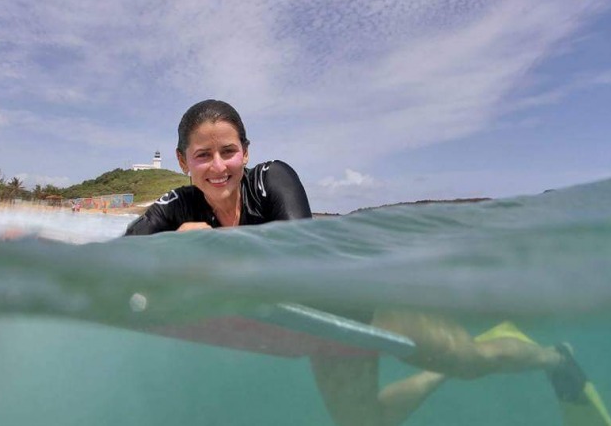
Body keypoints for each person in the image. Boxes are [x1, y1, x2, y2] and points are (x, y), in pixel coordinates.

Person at [125, 99, 584, 426]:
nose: (218, 165)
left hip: (362, 305)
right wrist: (173, 246)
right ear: (184, 161)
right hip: (324, 332)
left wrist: (218, 254)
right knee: (366, 420)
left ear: (246, 150)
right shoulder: (177, 204)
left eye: (229, 151)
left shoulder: (271, 180)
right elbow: (126, 250)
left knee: (469, 360)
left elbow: (298, 253)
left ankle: (554, 358)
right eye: (203, 155)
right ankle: (437, 372)